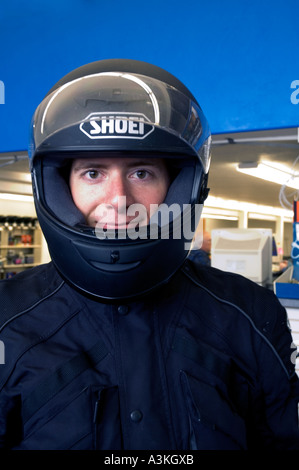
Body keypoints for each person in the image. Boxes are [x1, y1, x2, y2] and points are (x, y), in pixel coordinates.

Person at [0, 59, 298, 451]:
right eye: (93, 173)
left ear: (179, 189)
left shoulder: (250, 314)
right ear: (58, 187)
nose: (119, 200)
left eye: (142, 173)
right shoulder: (7, 317)